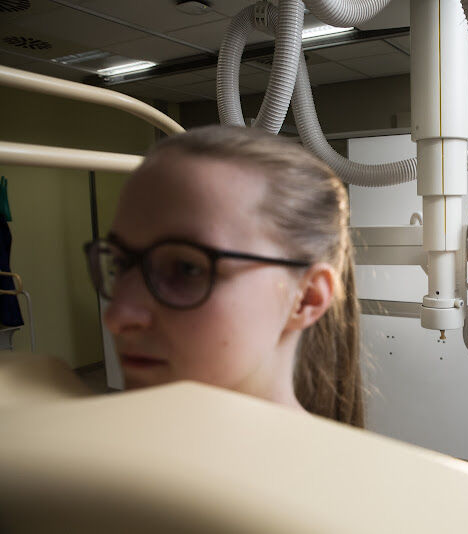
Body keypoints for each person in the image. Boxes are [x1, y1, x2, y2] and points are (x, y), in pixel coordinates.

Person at [84, 125, 364, 427]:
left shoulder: (341, 473)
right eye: (120, 264)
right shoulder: (90, 455)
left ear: (306, 298)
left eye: (186, 269)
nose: (116, 315)